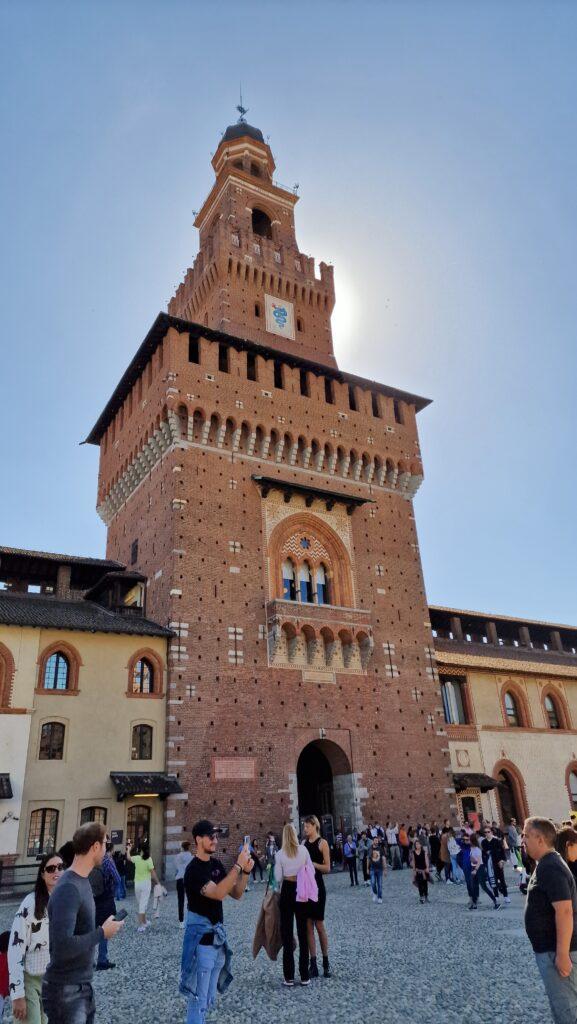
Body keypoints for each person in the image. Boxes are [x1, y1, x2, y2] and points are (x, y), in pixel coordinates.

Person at [42, 822, 124, 1024]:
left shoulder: (83, 881)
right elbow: (62, 946)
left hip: (81, 984)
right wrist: (101, 933)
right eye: (105, 843)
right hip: (65, 990)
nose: (106, 850)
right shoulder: (69, 887)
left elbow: (78, 929)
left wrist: (101, 927)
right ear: (95, 846)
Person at [181, 819, 253, 1024]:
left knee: (208, 998)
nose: (215, 840)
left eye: (216, 836)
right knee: (198, 998)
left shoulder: (216, 865)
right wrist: (237, 865)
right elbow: (219, 893)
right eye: (210, 837)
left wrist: (246, 871)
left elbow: (237, 893)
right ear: (198, 840)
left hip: (217, 943)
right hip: (202, 945)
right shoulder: (193, 870)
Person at [524, 816, 577, 1023]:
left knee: (567, 1009)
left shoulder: (551, 866)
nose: (523, 841)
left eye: (526, 835)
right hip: (551, 950)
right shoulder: (547, 864)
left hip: (557, 951)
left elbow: (564, 911)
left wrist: (562, 954)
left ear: (540, 839)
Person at [9, 852, 64, 1022]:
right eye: (51, 868)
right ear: (42, 874)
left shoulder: (66, 902)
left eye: (61, 867)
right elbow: (15, 948)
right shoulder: (30, 903)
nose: (57, 871)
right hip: (30, 978)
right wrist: (17, 994)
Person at [274, 823, 313, 987]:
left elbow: (277, 878)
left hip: (287, 891)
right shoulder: (303, 850)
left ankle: (288, 976)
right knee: (303, 933)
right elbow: (310, 869)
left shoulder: (279, 854)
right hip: (301, 890)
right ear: (295, 834)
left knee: (287, 934)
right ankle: (304, 975)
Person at [302, 815, 331, 979]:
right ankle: (313, 963)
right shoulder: (304, 845)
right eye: (304, 827)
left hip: (318, 888)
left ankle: (325, 961)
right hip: (306, 888)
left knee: (319, 926)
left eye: (307, 826)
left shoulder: (323, 843)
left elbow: (327, 868)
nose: (305, 829)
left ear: (314, 826)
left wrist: (313, 865)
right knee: (308, 927)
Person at [89, 840, 120, 970]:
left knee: (91, 929)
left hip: (92, 899)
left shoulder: (90, 859)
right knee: (104, 929)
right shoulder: (107, 860)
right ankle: (102, 959)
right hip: (105, 899)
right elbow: (117, 879)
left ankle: (88, 961)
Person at [126, 840, 160, 931]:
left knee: (141, 904)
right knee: (142, 905)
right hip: (146, 884)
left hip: (137, 884)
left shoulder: (137, 858)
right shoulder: (149, 859)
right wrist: (158, 883)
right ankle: (141, 925)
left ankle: (144, 921)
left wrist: (128, 849)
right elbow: (153, 873)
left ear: (139, 849)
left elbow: (128, 857)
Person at [469, 833, 500, 910]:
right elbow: (474, 860)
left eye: (469, 840)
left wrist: (475, 870)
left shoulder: (477, 849)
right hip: (474, 868)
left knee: (484, 887)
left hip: (479, 869)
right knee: (474, 886)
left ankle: (495, 902)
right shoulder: (471, 849)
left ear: (472, 841)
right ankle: (474, 904)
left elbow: (479, 862)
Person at [482, 824, 510, 904]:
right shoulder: (484, 842)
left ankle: (506, 896)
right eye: (485, 832)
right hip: (490, 864)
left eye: (488, 832)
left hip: (498, 863)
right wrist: (485, 864)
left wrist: (502, 861)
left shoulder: (496, 841)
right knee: (493, 880)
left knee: (502, 880)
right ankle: (496, 896)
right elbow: (483, 853)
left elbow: (501, 851)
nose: (487, 833)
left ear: (491, 832)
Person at [176, 841, 194, 928]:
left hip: (179, 879)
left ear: (182, 848)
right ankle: (190, 919)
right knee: (190, 900)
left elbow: (176, 867)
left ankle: (181, 921)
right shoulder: (191, 857)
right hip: (189, 879)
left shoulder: (178, 856)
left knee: (181, 900)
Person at [411, 839, 430, 904]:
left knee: (425, 884)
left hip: (424, 870)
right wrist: (414, 870)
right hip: (418, 870)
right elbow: (414, 862)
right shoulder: (413, 852)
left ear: (420, 845)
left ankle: (426, 896)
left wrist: (427, 867)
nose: (417, 845)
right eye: (416, 844)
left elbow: (426, 860)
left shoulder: (424, 852)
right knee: (420, 884)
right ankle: (421, 896)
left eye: (418, 844)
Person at [369, 836, 386, 904]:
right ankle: (375, 893)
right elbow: (368, 858)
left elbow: (383, 858)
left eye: (377, 840)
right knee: (373, 883)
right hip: (372, 868)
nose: (376, 841)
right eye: (375, 840)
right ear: (373, 841)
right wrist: (367, 868)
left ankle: (380, 897)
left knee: (379, 884)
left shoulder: (380, 849)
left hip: (379, 868)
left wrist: (385, 869)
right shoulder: (370, 849)